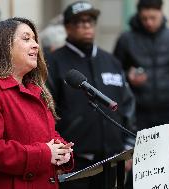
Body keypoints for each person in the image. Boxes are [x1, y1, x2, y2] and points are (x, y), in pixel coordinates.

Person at [0, 17, 74, 189]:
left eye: (35, 39)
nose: (36, 45)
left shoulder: (36, 89)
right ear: (4, 46)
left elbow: (47, 135)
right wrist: (45, 154)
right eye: (26, 38)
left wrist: (61, 150)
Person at [47, 1, 135, 189]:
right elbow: (46, 113)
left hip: (113, 161)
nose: (86, 26)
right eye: (79, 22)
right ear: (68, 27)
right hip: (74, 165)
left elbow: (127, 105)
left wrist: (128, 148)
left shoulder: (111, 61)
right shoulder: (53, 63)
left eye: (90, 21)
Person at [114, 0, 169, 157]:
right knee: (139, 170)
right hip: (137, 117)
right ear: (139, 15)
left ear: (161, 13)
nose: (149, 22)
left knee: (166, 168)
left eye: (153, 17)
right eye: (144, 18)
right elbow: (113, 75)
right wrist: (128, 78)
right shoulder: (126, 39)